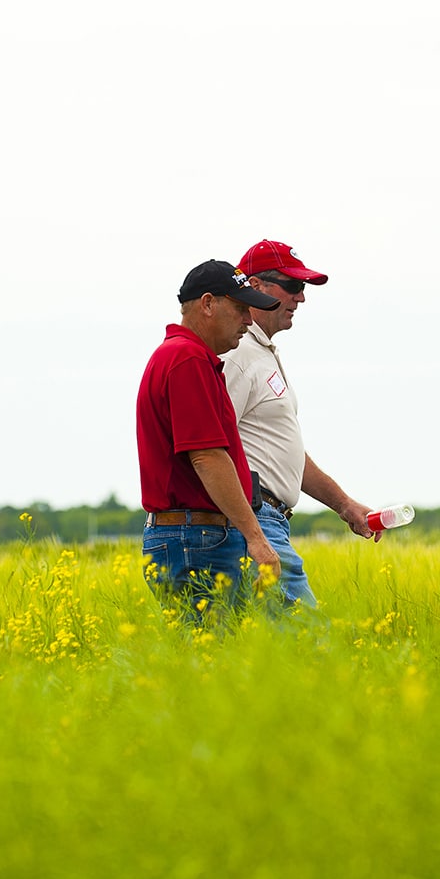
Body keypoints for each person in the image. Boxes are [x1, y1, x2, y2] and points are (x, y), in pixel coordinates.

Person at [221, 239, 379, 608]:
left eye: (302, 287)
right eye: (292, 286)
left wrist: (344, 505)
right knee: (311, 647)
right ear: (255, 287)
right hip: (254, 520)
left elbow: (284, 455)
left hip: (267, 520)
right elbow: (212, 446)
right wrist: (250, 531)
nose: (301, 298)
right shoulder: (239, 354)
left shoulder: (261, 353)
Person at [136, 259, 284, 621]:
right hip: (196, 537)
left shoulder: (185, 357)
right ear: (207, 304)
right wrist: (257, 538)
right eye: (239, 309)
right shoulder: (187, 359)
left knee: (207, 660)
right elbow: (207, 456)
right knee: (213, 662)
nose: (249, 321)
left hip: (191, 535)